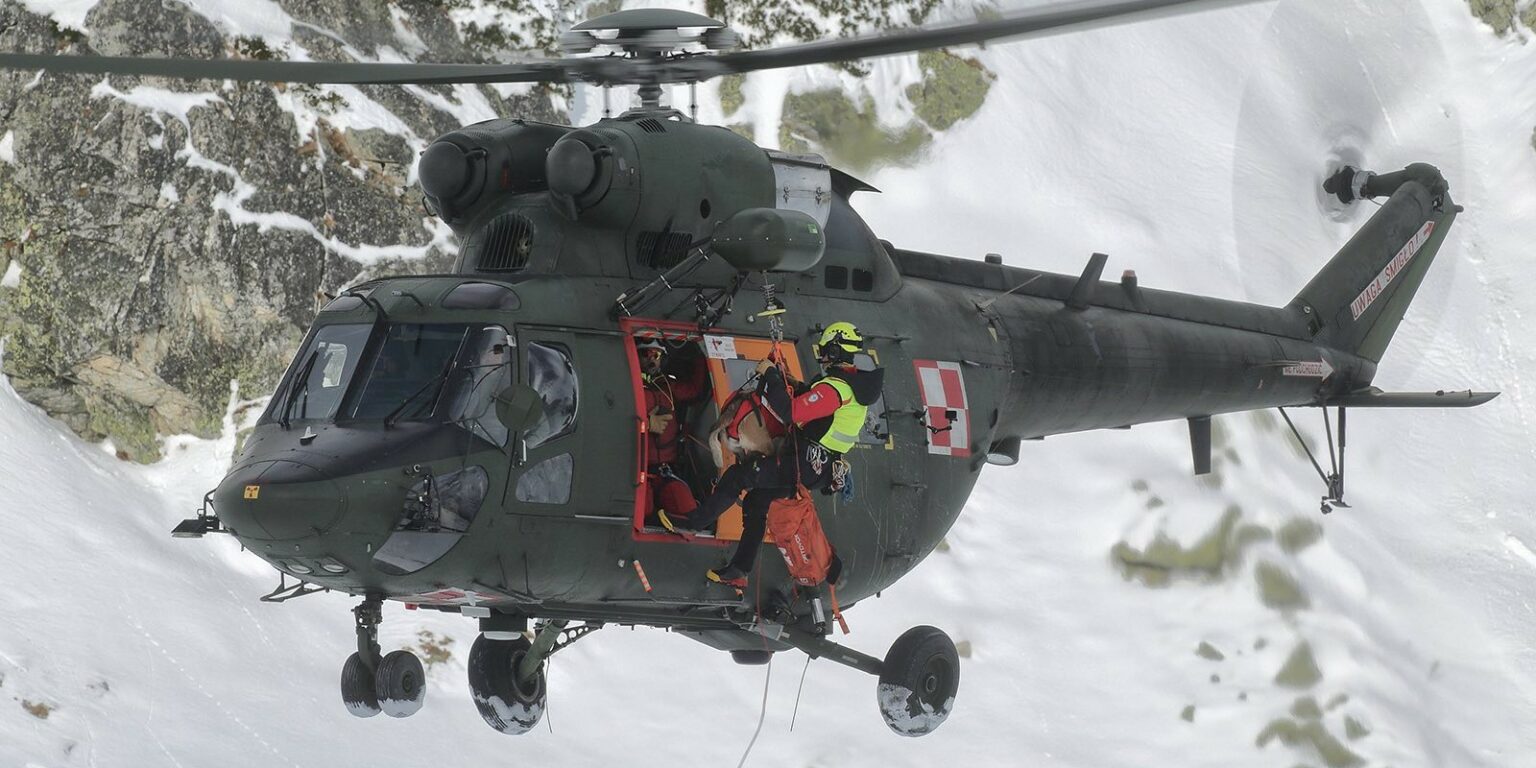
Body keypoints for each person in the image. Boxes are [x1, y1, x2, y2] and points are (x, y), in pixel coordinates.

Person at [689, 322, 884, 587]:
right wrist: (791, 383)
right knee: (756, 501)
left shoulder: (836, 389)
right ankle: (739, 569)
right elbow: (816, 409)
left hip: (805, 463)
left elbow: (792, 412)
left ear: (835, 350)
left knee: (738, 476)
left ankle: (694, 522)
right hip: (817, 467)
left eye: (825, 350)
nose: (822, 356)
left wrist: (770, 375)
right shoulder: (852, 388)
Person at [636, 337, 709, 529]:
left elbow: (694, 390)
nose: (651, 359)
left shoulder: (668, 385)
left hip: (665, 470)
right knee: (642, 514)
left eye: (656, 355)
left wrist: (701, 355)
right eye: (646, 354)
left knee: (688, 510)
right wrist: (646, 423)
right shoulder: (628, 387)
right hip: (637, 470)